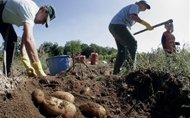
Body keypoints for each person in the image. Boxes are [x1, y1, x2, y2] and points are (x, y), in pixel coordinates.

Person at [0, 0, 56, 77]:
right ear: (43, 10)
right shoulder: (30, 11)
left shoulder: (31, 19)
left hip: (4, 19)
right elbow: (29, 40)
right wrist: (39, 69)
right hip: (1, 7)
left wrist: (27, 65)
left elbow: (24, 42)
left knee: (12, 39)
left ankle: (7, 74)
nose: (43, 23)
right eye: (44, 20)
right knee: (12, 38)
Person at [109, 0, 153, 75]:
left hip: (113, 26)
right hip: (118, 25)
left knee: (122, 50)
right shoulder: (135, 6)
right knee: (132, 44)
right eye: (146, 6)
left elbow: (131, 18)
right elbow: (133, 16)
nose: (146, 9)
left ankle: (116, 74)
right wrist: (146, 24)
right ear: (141, 3)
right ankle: (129, 72)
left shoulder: (134, 8)